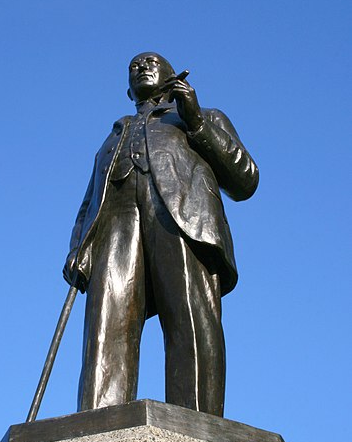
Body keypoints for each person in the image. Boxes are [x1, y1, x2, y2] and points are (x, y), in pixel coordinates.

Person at [63, 52, 258, 416]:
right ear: (127, 90)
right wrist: (78, 247)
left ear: (172, 75)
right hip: (116, 229)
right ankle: (97, 419)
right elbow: (89, 201)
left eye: (151, 60)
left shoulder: (200, 117)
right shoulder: (113, 137)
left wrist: (196, 120)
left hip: (182, 218)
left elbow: (245, 178)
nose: (141, 66)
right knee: (106, 325)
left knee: (189, 318)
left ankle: (198, 420)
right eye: (133, 66)